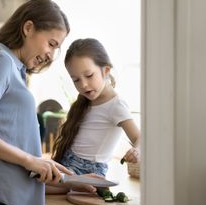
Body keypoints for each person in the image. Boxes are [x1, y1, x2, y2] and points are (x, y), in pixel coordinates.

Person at [0, 0, 96, 205]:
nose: (51, 55)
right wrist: (30, 160)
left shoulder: (13, 69)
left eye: (56, 48)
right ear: (28, 28)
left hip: (10, 204)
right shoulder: (0, 62)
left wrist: (63, 177)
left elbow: (8, 147)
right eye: (51, 44)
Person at [51, 38, 140, 177]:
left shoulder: (116, 105)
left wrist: (137, 151)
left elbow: (139, 137)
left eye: (89, 75)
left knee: (34, 187)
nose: (83, 85)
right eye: (76, 80)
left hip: (88, 171)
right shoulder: (85, 101)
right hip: (67, 163)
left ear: (106, 71)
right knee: (29, 178)